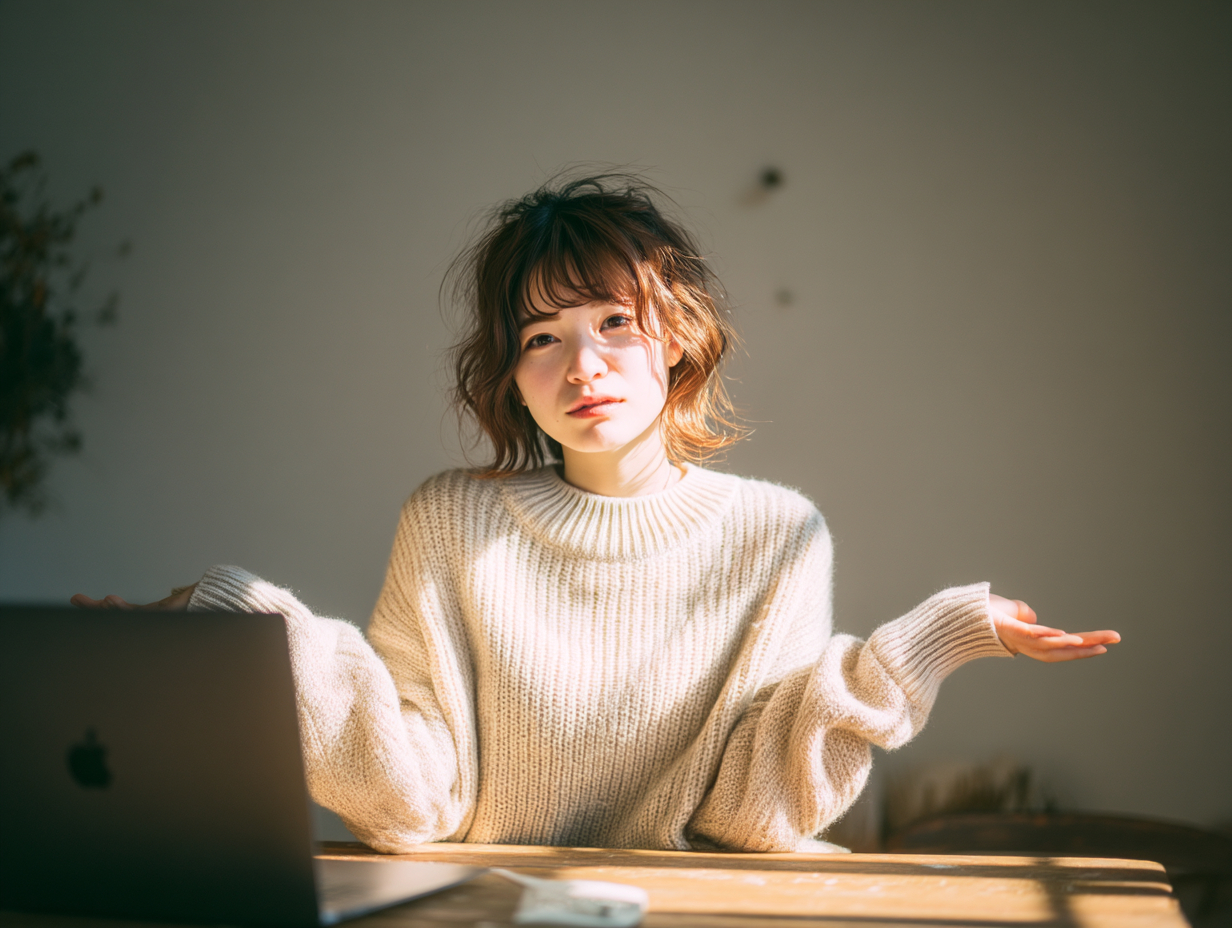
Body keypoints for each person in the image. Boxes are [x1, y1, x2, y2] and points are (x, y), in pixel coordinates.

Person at [72, 174, 1120, 854]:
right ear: (507, 375)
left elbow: (753, 815)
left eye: (615, 322)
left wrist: (923, 645)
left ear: (675, 337)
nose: (582, 365)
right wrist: (250, 622)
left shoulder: (775, 534)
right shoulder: (447, 522)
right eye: (540, 337)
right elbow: (409, 797)